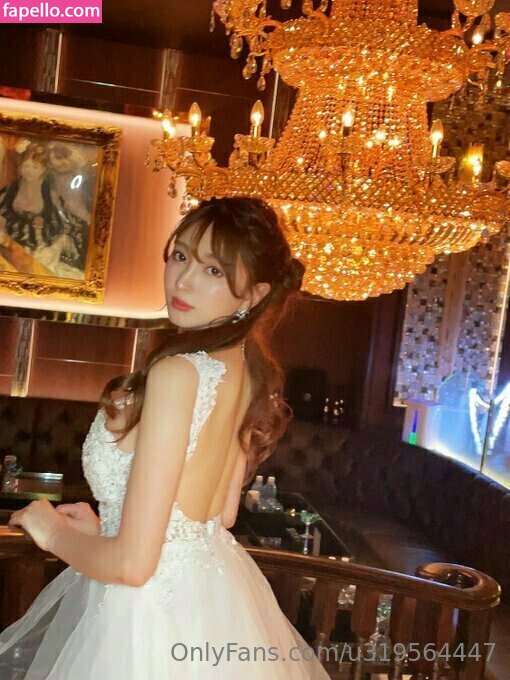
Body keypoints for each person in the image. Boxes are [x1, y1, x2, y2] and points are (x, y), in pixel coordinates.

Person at [0, 197, 330, 679]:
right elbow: (219, 514)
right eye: (180, 256)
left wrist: (50, 529)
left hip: (148, 617)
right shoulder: (247, 368)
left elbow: (133, 566)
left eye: (213, 270)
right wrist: (109, 528)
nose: (183, 280)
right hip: (210, 600)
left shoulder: (178, 373)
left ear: (254, 294)